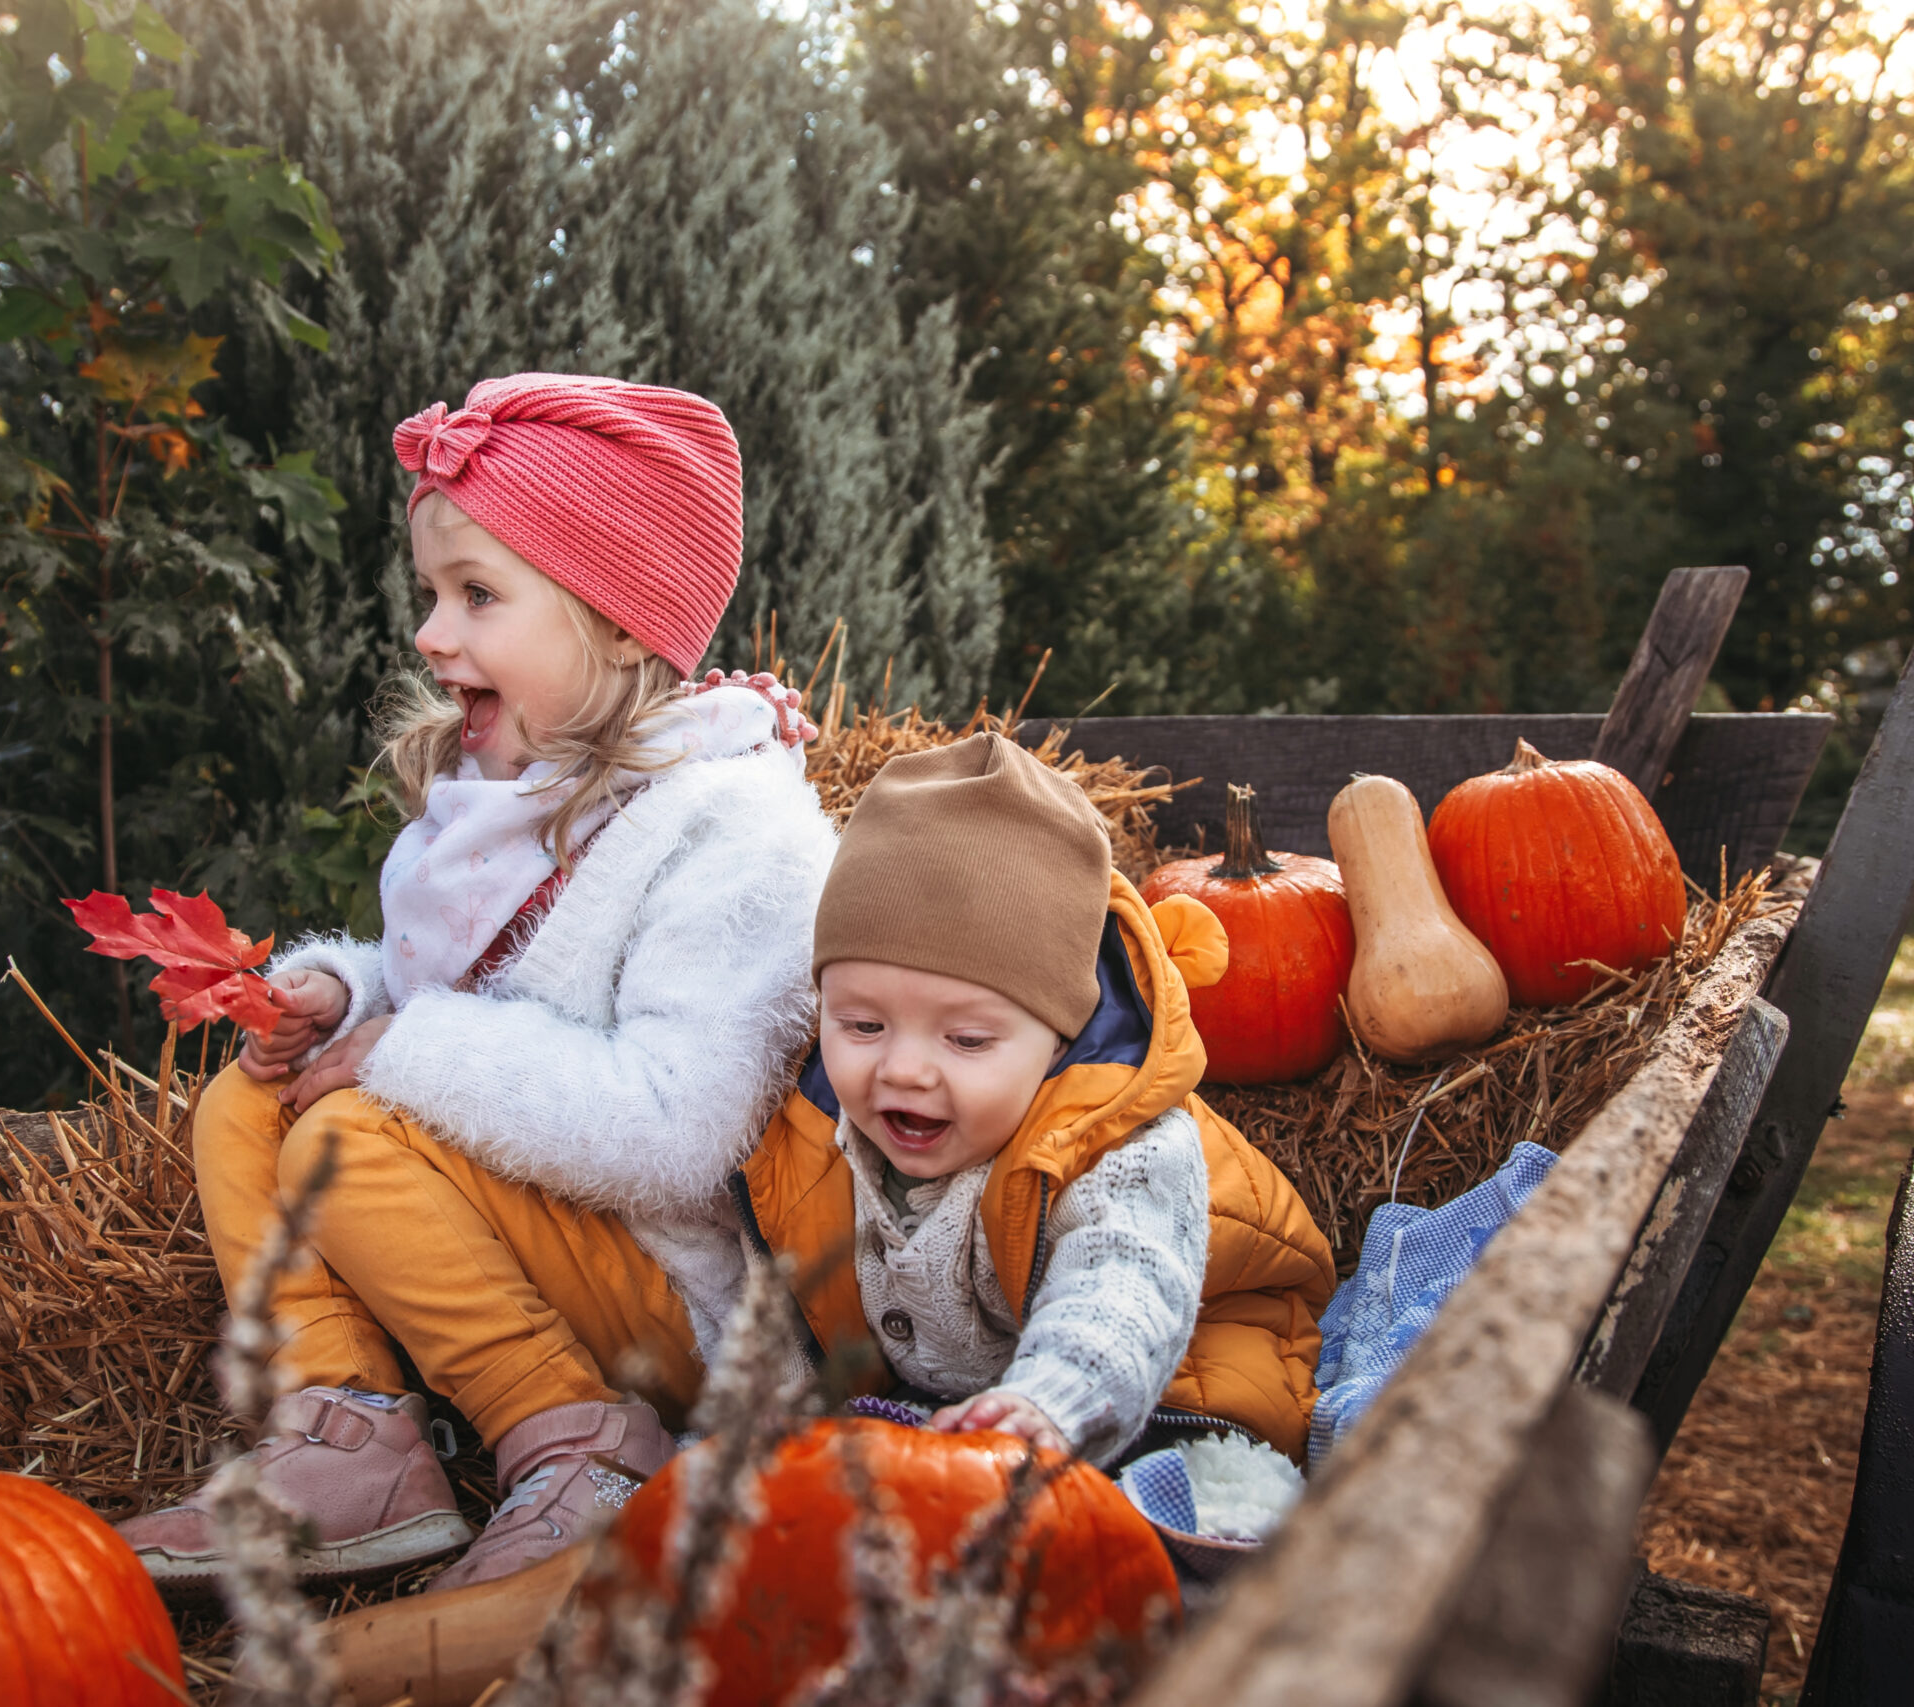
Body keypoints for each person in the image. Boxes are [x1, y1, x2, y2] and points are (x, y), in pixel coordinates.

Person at [118, 376, 837, 1590]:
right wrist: (342, 1002)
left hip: (677, 1296)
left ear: (616, 621)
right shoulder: (515, 801)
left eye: (478, 597)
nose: (430, 636)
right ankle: (348, 1434)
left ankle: (577, 1438)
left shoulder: (733, 834)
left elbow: (677, 1130)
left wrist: (398, 1052)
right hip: (532, 1224)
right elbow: (438, 989)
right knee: (249, 1106)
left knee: (352, 1137)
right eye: (433, 597)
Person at [733, 734, 1338, 1466]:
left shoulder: (1123, 1146)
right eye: (863, 1024)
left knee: (1172, 1490)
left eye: (965, 1040)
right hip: (965, 1402)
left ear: (1059, 1040)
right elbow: (787, 1294)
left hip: (1186, 1358)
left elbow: (1121, 1287)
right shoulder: (811, 1130)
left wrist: (1048, 1402)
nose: (904, 1069)